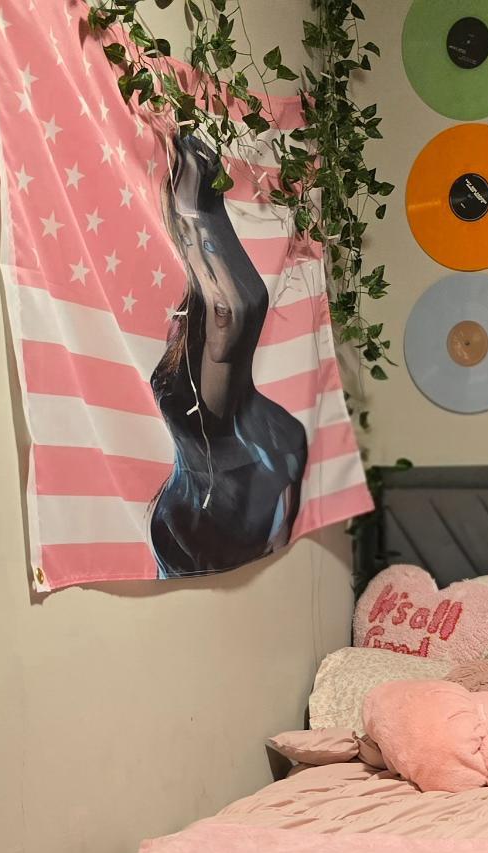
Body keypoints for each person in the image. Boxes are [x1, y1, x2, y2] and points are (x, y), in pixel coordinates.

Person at [146, 136, 309, 579]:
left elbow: (236, 308)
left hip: (215, 518)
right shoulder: (190, 319)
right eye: (185, 234)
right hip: (187, 526)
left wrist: (198, 214)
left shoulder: (225, 314)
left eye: (199, 235)